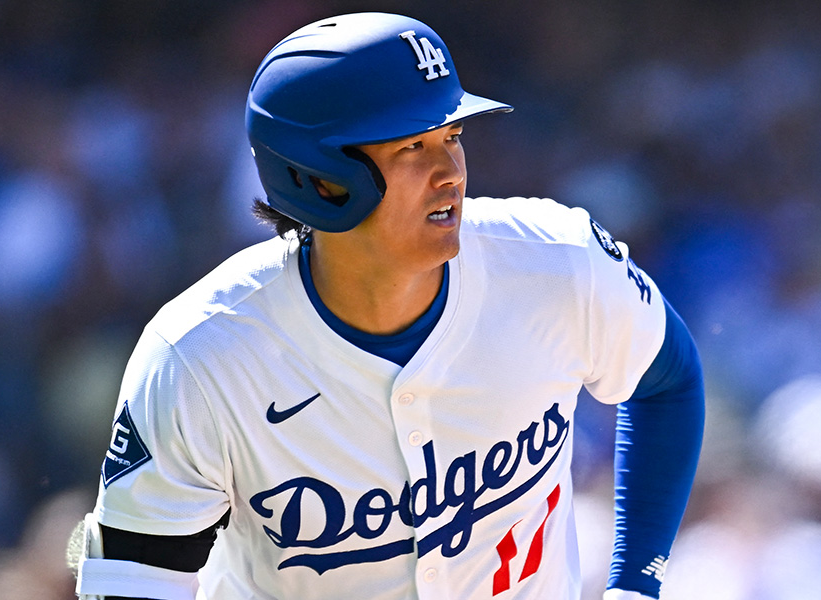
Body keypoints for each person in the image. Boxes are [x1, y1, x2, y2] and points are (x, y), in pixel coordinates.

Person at [71, 12, 704, 600]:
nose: (451, 170)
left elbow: (669, 380)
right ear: (318, 178)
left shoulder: (555, 260)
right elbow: (134, 578)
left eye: (452, 134)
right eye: (411, 147)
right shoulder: (202, 356)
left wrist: (634, 584)